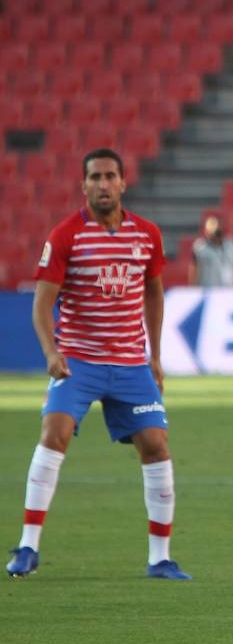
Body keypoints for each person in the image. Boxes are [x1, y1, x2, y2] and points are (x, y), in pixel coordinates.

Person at [6, 148, 190, 581]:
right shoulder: (66, 235)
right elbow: (41, 304)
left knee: (156, 443)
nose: (103, 184)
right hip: (80, 361)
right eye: (95, 177)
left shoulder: (146, 235)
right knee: (55, 433)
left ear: (123, 183)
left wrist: (156, 356)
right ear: (83, 184)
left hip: (129, 363)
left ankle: (160, 558)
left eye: (110, 176)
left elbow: (154, 293)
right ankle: (28, 548)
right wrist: (53, 352)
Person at [189, 214, 233, 287]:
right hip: (207, 288)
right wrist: (193, 287)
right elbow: (194, 268)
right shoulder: (200, 247)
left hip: (228, 289)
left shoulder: (231, 245)